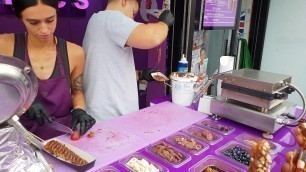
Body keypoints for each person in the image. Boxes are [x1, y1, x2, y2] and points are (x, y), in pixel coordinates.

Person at [0, 0, 96, 140]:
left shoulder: (75, 53)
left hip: (61, 135)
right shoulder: (4, 46)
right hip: (18, 135)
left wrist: (79, 110)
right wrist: (23, 103)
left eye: (50, 20)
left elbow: (77, 92)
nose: (44, 30)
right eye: (33, 22)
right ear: (20, 17)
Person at [82, 0, 174, 122]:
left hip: (102, 114)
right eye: (133, 13)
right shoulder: (112, 18)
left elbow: (106, 71)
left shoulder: (96, 20)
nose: (132, 20)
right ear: (124, 2)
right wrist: (164, 23)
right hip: (111, 117)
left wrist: (140, 74)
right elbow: (153, 37)